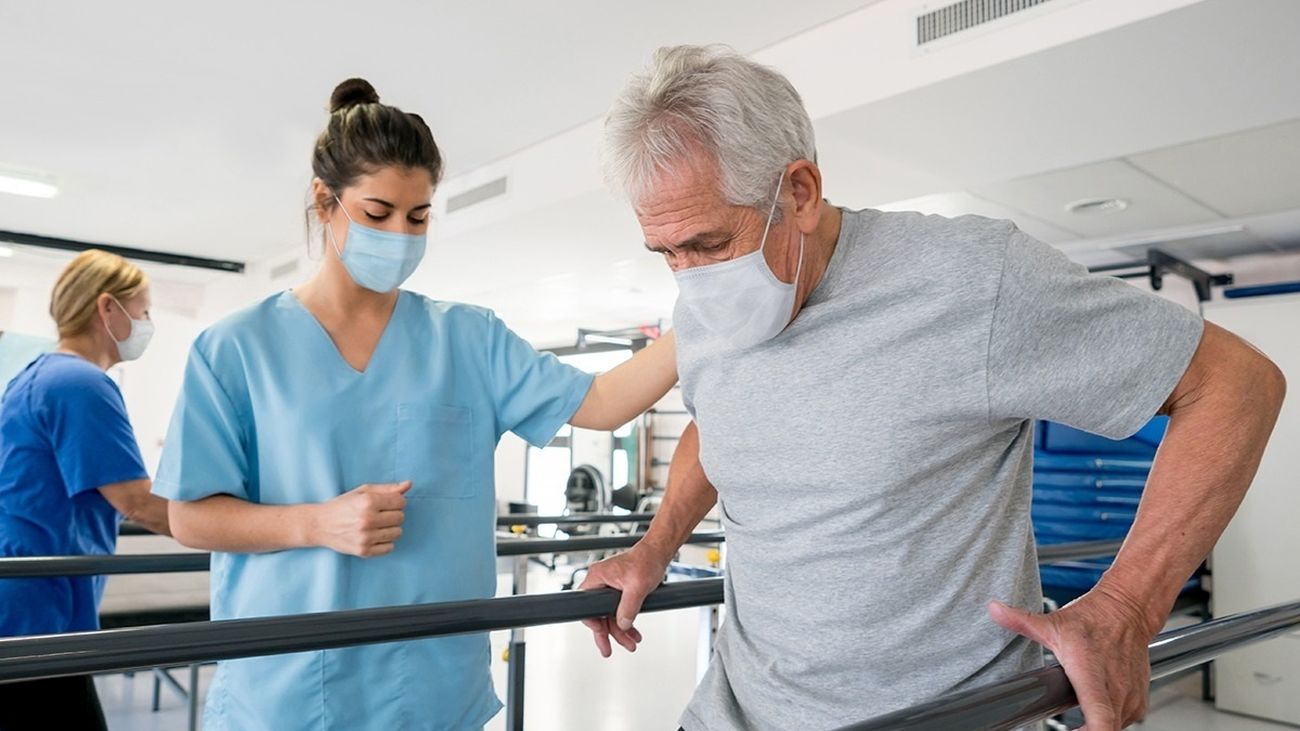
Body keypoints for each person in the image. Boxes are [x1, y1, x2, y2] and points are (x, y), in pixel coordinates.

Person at [578, 45, 1286, 731]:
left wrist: (1127, 607)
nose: (689, 276)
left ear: (798, 192)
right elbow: (720, 423)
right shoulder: (701, 312)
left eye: (706, 243)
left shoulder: (968, 280)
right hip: (734, 711)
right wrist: (656, 545)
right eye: (665, 253)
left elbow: (1236, 386)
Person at [154, 78, 678, 731]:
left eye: (419, 216)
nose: (400, 233)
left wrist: (704, 316)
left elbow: (599, 400)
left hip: (431, 687)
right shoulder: (236, 348)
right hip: (285, 688)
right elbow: (190, 516)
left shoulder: (468, 337)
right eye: (378, 214)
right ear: (325, 201)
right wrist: (314, 523)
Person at [0, 249, 171, 731]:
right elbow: (137, 501)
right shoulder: (80, 383)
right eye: (143, 310)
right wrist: (248, 529)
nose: (147, 322)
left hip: (28, 599)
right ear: (108, 309)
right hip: (37, 610)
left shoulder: (38, 374)